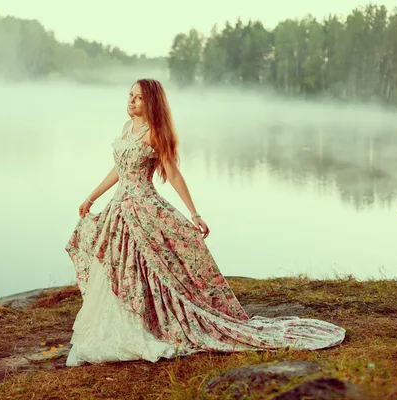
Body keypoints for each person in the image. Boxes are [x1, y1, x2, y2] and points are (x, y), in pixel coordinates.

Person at [64, 79, 345, 367]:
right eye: (130, 95)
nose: (131, 101)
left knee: (151, 266)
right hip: (120, 208)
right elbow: (119, 170)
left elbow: (173, 175)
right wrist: (92, 196)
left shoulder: (155, 134)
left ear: (152, 103)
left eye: (138, 97)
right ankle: (124, 323)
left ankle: (150, 325)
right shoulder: (126, 129)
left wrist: (194, 213)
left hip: (143, 208)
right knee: (122, 267)